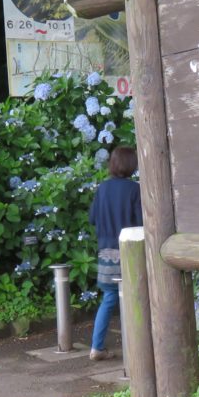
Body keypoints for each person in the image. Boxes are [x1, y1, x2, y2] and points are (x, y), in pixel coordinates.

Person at [87, 146, 142, 361]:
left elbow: (92, 218)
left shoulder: (102, 188)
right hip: (128, 252)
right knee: (137, 297)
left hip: (105, 252)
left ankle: (97, 347)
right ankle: (138, 349)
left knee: (109, 298)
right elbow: (141, 222)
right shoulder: (134, 190)